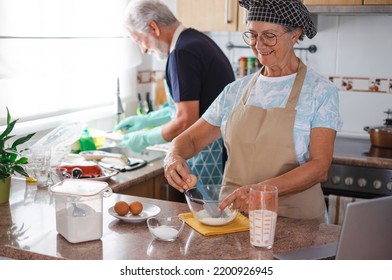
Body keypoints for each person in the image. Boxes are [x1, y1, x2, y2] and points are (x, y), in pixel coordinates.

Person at [163, 0, 342, 223]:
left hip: (296, 221)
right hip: (234, 220)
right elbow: (190, 139)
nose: (259, 44)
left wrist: (259, 192)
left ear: (295, 35)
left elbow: (320, 166)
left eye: (269, 35)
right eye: (252, 35)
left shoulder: (321, 92)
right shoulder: (234, 91)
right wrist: (173, 156)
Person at [115, 0, 235, 185]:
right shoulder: (195, 41)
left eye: (140, 40)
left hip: (210, 154)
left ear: (153, 27)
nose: (144, 49)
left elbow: (185, 121)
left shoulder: (182, 53)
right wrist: (147, 120)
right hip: (220, 148)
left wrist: (145, 138)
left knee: (207, 213)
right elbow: (189, 107)